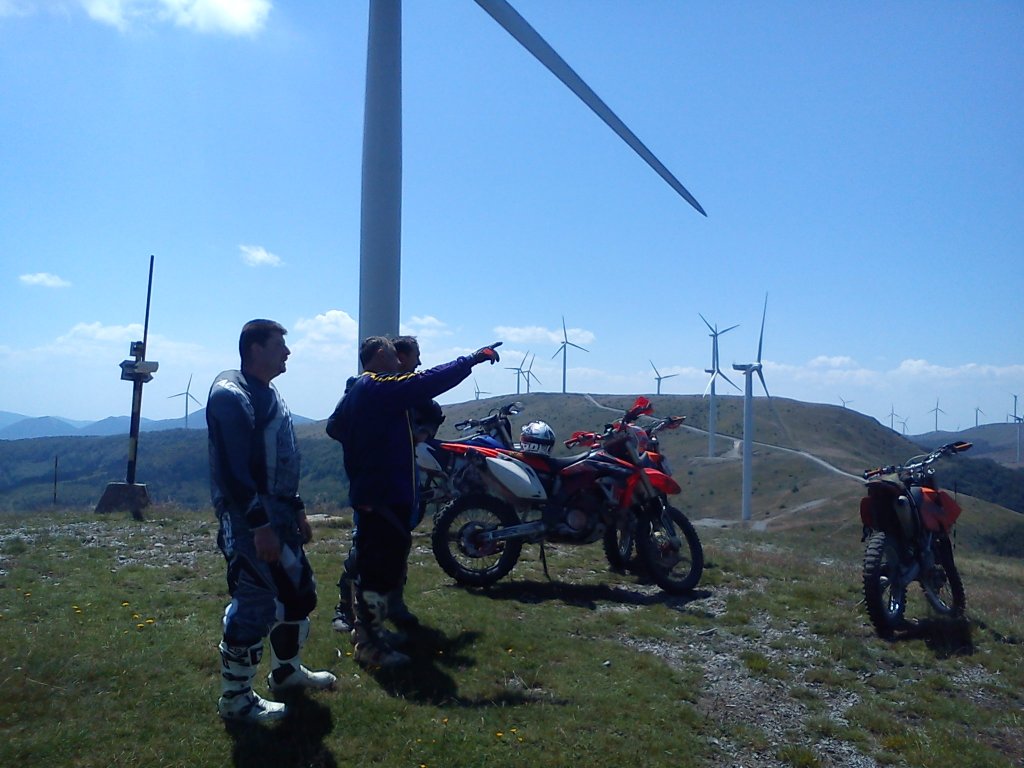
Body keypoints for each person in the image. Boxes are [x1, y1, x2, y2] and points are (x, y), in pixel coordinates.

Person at [326, 336, 501, 666]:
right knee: (376, 569)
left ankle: (369, 633)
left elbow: (337, 428)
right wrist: (471, 360)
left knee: (382, 566)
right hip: (381, 495)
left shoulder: (367, 391)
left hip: (382, 493)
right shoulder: (374, 385)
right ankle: (370, 645)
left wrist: (370, 444)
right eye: (395, 356)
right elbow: (425, 382)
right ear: (381, 354)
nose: (401, 363)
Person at [207, 319, 336, 723]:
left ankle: (286, 672)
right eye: (280, 344)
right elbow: (233, 470)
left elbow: (278, 456)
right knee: (255, 602)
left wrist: (296, 507)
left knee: (298, 592)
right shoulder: (230, 395)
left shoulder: (269, 390)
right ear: (255, 349)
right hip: (249, 518)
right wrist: (259, 525)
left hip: (280, 513)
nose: (288, 352)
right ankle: (236, 700)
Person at [330, 335, 443, 636]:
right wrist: (369, 447)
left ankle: (392, 605)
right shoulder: (364, 388)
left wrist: (422, 432)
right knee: (364, 550)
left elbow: (434, 413)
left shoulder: (411, 390)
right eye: (415, 357)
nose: (419, 363)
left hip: (403, 481)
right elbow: (335, 425)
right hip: (375, 486)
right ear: (399, 358)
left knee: (397, 545)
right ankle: (347, 609)